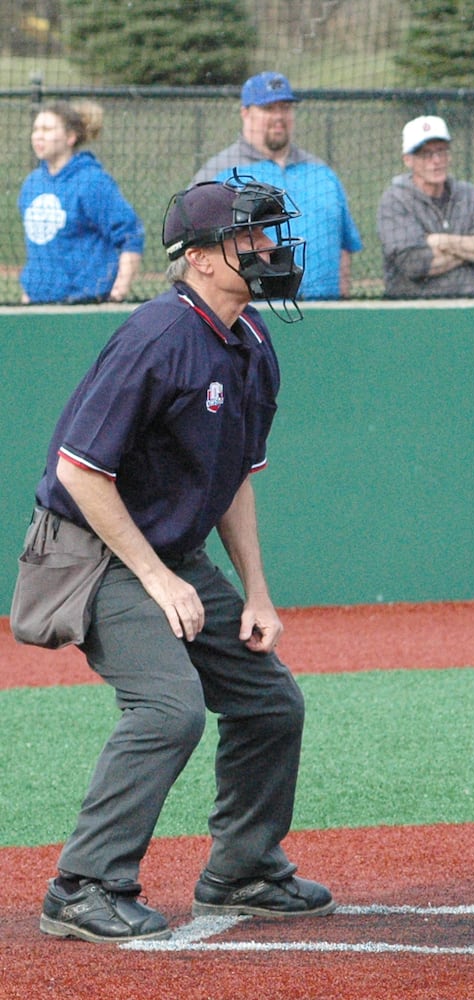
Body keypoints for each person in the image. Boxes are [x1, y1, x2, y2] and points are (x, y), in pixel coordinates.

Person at [31, 178, 332, 944]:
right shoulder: (158, 335)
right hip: (89, 552)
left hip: (167, 550)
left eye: (270, 235)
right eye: (249, 239)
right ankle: (83, 885)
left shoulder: (253, 341)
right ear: (198, 260)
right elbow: (78, 470)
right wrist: (160, 578)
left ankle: (243, 870)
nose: (268, 249)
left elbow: (233, 478)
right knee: (168, 710)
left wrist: (256, 592)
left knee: (271, 703)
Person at [194, 72, 362, 299]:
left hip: (326, 317)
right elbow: (197, 254)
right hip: (250, 318)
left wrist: (342, 306)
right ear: (245, 113)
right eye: (268, 109)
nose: (279, 116)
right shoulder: (220, 173)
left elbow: (343, 248)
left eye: (285, 107)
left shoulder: (322, 173)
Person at [18, 100, 142, 303]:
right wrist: (29, 294)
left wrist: (118, 293)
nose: (39, 135)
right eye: (36, 129)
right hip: (37, 304)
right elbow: (38, 249)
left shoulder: (92, 181)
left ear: (70, 137)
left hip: (84, 303)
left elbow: (130, 235)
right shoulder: (32, 184)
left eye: (47, 129)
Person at [378, 115, 474, 297]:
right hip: (411, 312)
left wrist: (440, 241)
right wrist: (471, 250)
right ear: (408, 159)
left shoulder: (468, 194)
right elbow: (413, 263)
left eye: (441, 151)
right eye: (426, 154)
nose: (436, 161)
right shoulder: (395, 200)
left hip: (466, 307)